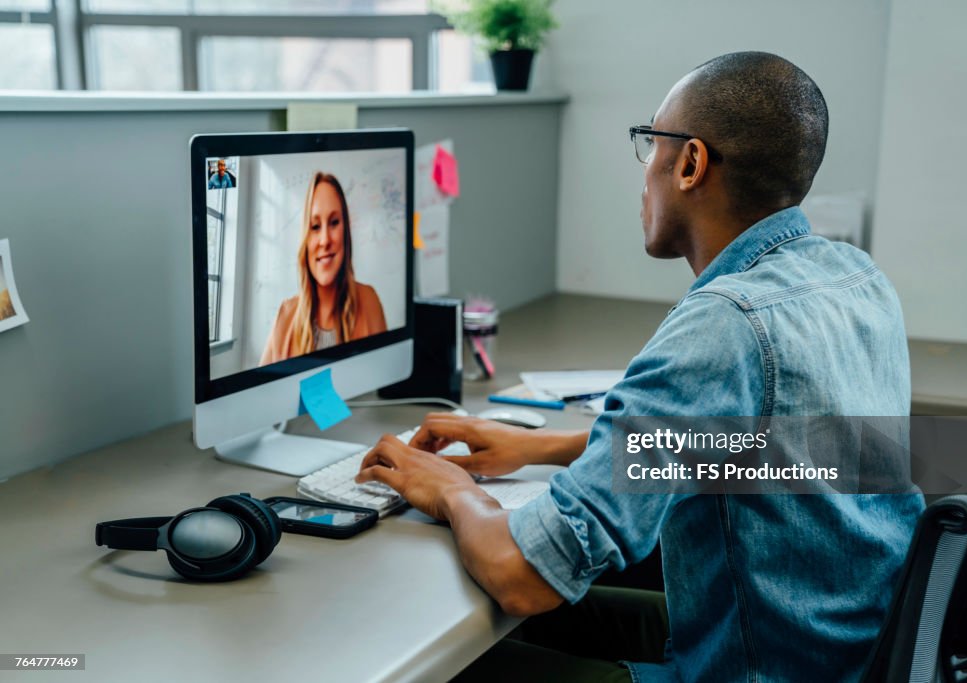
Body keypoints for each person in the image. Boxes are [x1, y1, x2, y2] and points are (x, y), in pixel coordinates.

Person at [356, 52, 923, 682]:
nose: (644, 170)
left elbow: (524, 576)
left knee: (452, 660)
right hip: (835, 650)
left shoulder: (725, 324)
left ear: (689, 163)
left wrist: (451, 490)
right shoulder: (855, 278)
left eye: (650, 143)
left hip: (754, 665)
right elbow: (771, 446)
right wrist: (540, 447)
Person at [261, 172, 386, 365]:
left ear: (345, 232)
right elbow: (265, 393)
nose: (325, 240)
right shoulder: (285, 316)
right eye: (315, 226)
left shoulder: (369, 301)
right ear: (305, 238)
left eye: (334, 222)